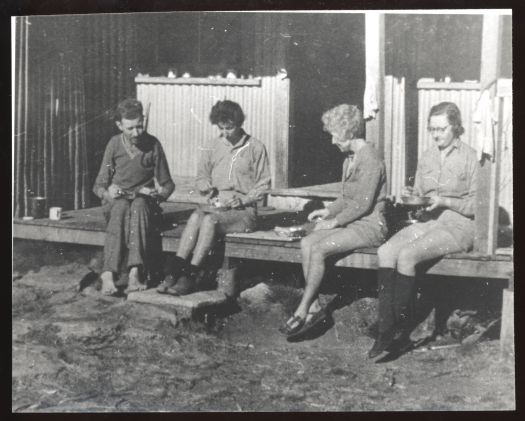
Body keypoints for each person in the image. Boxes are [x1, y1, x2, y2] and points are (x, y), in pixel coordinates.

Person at [368, 101, 479, 359]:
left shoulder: (471, 157)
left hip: (458, 224)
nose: (436, 134)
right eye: (432, 129)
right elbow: (420, 194)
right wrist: (411, 197)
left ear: (456, 127)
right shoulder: (427, 156)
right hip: (428, 219)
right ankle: (387, 327)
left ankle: (397, 331)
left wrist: (446, 201)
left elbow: (477, 206)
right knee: (386, 251)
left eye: (441, 129)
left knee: (407, 255)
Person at [279, 104, 388, 339]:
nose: (332, 142)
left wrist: (334, 222)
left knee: (318, 250)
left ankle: (303, 308)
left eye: (334, 135)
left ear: (348, 132)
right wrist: (327, 212)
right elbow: (346, 197)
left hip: (370, 225)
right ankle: (315, 307)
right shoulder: (349, 159)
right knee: (307, 242)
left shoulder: (370, 159)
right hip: (352, 222)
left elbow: (363, 204)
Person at [157, 100, 271, 296]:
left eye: (230, 127)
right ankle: (174, 272)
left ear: (240, 123)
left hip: (243, 211)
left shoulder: (255, 147)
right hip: (217, 205)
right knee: (195, 217)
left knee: (209, 221)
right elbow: (201, 177)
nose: (226, 132)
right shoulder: (212, 146)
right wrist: (205, 186)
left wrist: (243, 200)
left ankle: (191, 276)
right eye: (221, 128)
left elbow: (264, 186)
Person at [93, 98, 175, 295]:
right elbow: (98, 185)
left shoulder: (153, 144)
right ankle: (107, 275)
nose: (136, 133)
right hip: (118, 205)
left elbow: (168, 184)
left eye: (139, 126)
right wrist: (106, 192)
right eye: (130, 128)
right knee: (121, 206)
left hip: (144, 206)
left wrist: (159, 195)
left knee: (138, 204)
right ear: (119, 125)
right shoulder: (114, 144)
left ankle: (134, 273)